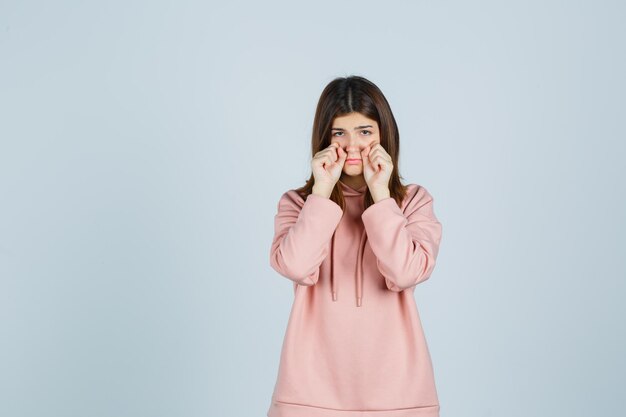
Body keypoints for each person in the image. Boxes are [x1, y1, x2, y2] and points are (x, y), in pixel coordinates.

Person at [267, 75, 443, 417]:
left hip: (399, 395)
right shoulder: (298, 204)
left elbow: (405, 273)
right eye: (339, 133)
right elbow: (295, 266)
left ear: (383, 136)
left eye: (365, 132)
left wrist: (380, 196)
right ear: (324, 138)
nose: (352, 145)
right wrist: (321, 191)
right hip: (307, 394)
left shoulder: (413, 203)